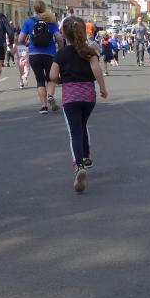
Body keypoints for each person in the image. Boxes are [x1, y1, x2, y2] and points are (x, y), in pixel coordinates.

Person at [50, 17, 107, 193]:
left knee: (75, 131)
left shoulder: (61, 54)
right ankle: (86, 157)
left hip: (70, 97)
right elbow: (97, 70)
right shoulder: (90, 52)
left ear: (65, 34)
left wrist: (61, 80)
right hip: (88, 96)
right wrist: (103, 88)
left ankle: (79, 165)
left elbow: (52, 76)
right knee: (82, 125)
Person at [18, 0, 64, 114]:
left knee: (40, 80)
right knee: (50, 78)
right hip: (50, 54)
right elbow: (59, 38)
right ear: (44, 8)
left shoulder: (28, 22)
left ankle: (44, 106)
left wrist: (27, 44)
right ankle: (50, 96)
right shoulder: (51, 21)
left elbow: (20, 39)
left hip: (34, 54)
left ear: (34, 9)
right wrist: (61, 49)